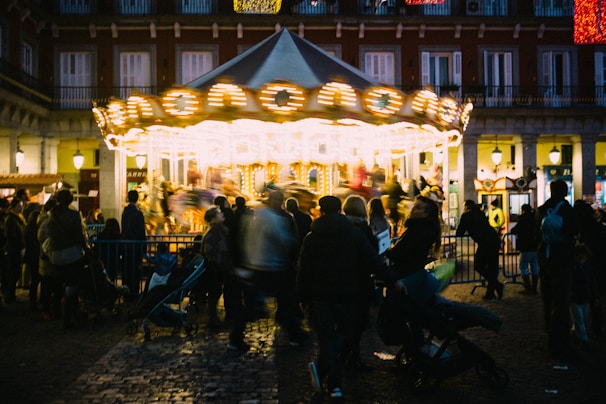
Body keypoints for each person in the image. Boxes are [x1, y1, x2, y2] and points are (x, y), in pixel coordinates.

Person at [297, 195, 402, 402]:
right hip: (347, 294)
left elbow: (304, 270)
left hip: (320, 297)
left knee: (327, 339)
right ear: (340, 210)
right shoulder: (354, 235)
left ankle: (329, 377)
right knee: (344, 335)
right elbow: (373, 261)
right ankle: (332, 381)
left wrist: (302, 297)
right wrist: (392, 280)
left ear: (321, 210)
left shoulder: (312, 237)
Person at [241, 190, 305, 346]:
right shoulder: (274, 219)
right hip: (273, 265)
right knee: (285, 299)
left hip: (257, 263)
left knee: (256, 303)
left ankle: (236, 336)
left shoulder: (255, 218)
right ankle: (294, 334)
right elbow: (283, 239)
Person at [536, 179, 578, 360]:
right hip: (562, 258)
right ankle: (560, 343)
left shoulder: (541, 209)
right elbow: (573, 231)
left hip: (545, 258)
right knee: (561, 302)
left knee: (548, 299)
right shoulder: (567, 210)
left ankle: (550, 335)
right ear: (565, 191)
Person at [342, 195, 377, 370]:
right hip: (361, 280)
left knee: (345, 321)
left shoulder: (341, 227)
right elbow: (372, 254)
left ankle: (344, 355)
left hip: (342, 280)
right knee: (358, 323)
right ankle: (352, 356)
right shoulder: (364, 228)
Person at [46, 189, 88, 329]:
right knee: (72, 286)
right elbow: (78, 236)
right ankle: (68, 318)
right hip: (71, 254)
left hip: (55, 255)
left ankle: (56, 312)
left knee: (58, 286)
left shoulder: (51, 215)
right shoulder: (73, 215)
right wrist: (87, 250)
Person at [456, 200, 504, 300]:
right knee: (492, 266)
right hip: (493, 240)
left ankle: (494, 288)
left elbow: (459, 232)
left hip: (485, 243)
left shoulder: (466, 216)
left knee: (479, 265)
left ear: (466, 206)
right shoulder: (480, 213)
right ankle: (492, 290)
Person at [573, 199, 606, 339]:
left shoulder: (588, 231)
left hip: (593, 269)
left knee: (591, 298)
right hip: (596, 269)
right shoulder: (597, 229)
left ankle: (588, 329)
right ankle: (593, 328)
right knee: (594, 299)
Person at [201, 206, 231, 329]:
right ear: (213, 217)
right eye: (218, 213)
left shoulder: (216, 230)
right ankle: (212, 318)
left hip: (218, 266)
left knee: (216, 292)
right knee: (214, 293)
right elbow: (212, 252)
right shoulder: (214, 232)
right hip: (216, 267)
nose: (222, 214)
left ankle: (213, 318)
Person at [569, 243, 599, 351]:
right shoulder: (588, 268)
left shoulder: (573, 268)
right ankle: (583, 339)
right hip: (584, 297)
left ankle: (577, 334)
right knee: (581, 320)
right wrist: (595, 296)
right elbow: (593, 283)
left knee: (581, 320)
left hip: (578, 297)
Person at [37, 198, 62, 320]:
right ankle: (47, 310)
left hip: (53, 258)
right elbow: (42, 237)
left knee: (56, 286)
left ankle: (55, 309)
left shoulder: (50, 220)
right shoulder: (47, 221)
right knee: (48, 286)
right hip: (48, 258)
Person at [121, 189, 147, 297]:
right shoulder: (138, 213)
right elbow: (141, 231)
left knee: (127, 269)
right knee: (135, 270)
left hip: (126, 246)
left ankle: (126, 292)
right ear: (137, 199)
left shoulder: (124, 212)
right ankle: (134, 292)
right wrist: (144, 247)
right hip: (136, 246)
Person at [510, 204, 539, 294]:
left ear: (522, 210)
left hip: (525, 247)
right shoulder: (535, 220)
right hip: (535, 247)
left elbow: (514, 230)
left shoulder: (523, 220)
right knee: (535, 267)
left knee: (523, 267)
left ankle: (528, 287)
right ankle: (534, 288)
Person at [2, 198, 26, 304]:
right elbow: (11, 235)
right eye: (19, 206)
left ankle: (11, 295)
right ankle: (9, 296)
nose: (21, 208)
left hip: (17, 249)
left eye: (22, 206)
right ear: (14, 207)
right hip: (13, 250)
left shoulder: (18, 218)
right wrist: (19, 245)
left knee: (15, 272)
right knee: (13, 273)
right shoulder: (11, 219)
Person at [23, 209, 42, 310]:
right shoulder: (37, 230)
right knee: (37, 278)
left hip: (30, 256)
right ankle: (34, 300)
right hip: (36, 256)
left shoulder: (27, 229)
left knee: (34, 278)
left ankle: (32, 297)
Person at [95, 218, 122, 282]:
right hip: (114, 261)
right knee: (111, 277)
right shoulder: (118, 237)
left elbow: (96, 248)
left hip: (103, 261)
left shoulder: (101, 236)